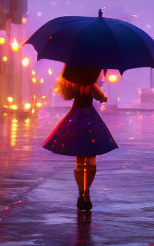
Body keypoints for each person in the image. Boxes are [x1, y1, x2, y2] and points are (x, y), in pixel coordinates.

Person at [43, 65, 117, 211]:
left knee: (79, 161)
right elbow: (102, 97)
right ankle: (86, 191)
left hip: (75, 119)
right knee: (91, 159)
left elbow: (66, 96)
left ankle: (80, 192)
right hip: (90, 119)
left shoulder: (73, 82)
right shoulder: (91, 85)